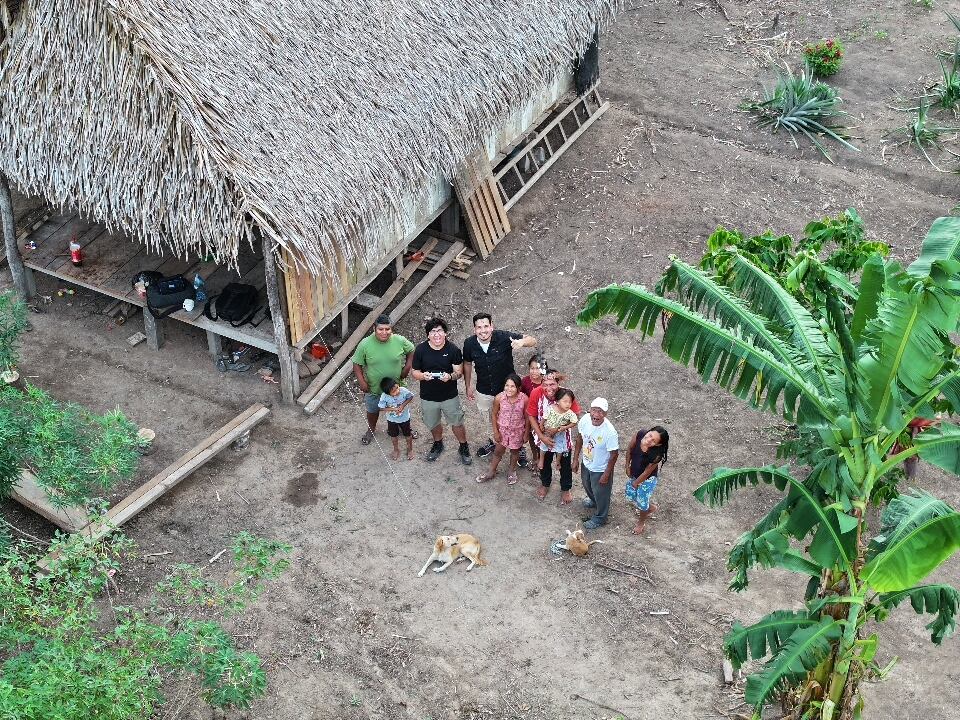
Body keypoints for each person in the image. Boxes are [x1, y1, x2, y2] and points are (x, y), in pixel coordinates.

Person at [462, 313, 536, 459]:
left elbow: (532, 340)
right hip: (484, 389)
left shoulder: (503, 337)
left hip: (508, 389)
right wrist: (468, 384)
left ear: (492, 326)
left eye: (486, 326)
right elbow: (468, 363)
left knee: (516, 419)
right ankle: (493, 441)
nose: (483, 330)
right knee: (490, 418)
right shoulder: (469, 344)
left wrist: (521, 343)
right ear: (474, 329)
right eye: (479, 327)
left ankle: (519, 447)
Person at [411, 317, 471, 465]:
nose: (436, 334)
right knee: (433, 423)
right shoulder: (420, 350)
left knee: (457, 422)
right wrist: (423, 376)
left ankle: (463, 446)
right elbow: (414, 372)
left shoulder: (453, 350)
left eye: (439, 331)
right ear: (428, 335)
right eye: (433, 331)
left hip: (449, 396)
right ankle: (438, 443)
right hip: (428, 397)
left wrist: (450, 376)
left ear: (445, 333)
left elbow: (459, 372)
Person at [351, 314, 415, 446]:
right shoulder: (365, 344)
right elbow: (356, 364)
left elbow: (412, 351)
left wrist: (407, 367)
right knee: (372, 410)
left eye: (387, 329)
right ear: (374, 328)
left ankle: (404, 428)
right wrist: (362, 381)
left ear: (392, 329)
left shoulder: (399, 340)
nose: (384, 332)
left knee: (399, 408)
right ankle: (371, 429)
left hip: (395, 388)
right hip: (373, 388)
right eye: (381, 329)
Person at [528, 372, 582, 503]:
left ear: (558, 384)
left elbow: (575, 416)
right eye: (545, 384)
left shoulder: (566, 395)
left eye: (552, 384)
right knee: (545, 462)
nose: (549, 388)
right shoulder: (536, 393)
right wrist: (542, 436)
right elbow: (531, 416)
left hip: (563, 438)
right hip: (544, 436)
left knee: (565, 463)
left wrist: (557, 429)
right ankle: (545, 483)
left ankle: (566, 488)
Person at [575, 398, 620, 530]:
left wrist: (606, 474)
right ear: (590, 410)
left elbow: (614, 455)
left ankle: (601, 517)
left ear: (605, 414)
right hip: (587, 462)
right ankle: (594, 501)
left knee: (602, 492)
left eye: (600, 412)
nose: (596, 414)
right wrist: (575, 459)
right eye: (594, 410)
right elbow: (579, 438)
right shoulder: (585, 420)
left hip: (600, 468)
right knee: (587, 485)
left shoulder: (610, 432)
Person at [475, 374, 527, 485]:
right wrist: (495, 431)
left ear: (518, 387)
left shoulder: (524, 399)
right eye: (507, 385)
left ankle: (512, 471)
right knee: (498, 451)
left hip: (517, 431)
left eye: (513, 386)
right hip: (502, 431)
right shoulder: (499, 398)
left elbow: (527, 418)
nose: (509, 388)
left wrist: (526, 433)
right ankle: (491, 471)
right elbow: (494, 414)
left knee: (515, 452)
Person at [625, 426, 670, 535]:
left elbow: (646, 472)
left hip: (647, 480)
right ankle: (651, 507)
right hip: (635, 474)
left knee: (642, 502)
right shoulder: (640, 434)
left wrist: (636, 482)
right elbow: (629, 449)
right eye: (650, 435)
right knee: (631, 495)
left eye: (653, 440)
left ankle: (641, 523)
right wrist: (627, 466)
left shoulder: (657, 455)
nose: (649, 439)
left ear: (658, 444)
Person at [377, 377, 416, 461]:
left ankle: (410, 449)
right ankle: (396, 449)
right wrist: (393, 409)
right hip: (392, 420)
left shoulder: (403, 390)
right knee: (393, 436)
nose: (397, 391)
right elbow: (381, 408)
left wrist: (403, 405)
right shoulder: (384, 396)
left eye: (397, 388)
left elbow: (410, 397)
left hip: (405, 418)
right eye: (394, 391)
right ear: (387, 393)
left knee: (408, 435)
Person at [521, 354, 546, 468]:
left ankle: (542, 460)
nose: (534, 371)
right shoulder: (525, 381)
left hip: (543, 417)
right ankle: (535, 458)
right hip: (529, 417)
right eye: (532, 368)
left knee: (542, 439)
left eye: (538, 368)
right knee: (531, 437)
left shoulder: (547, 382)